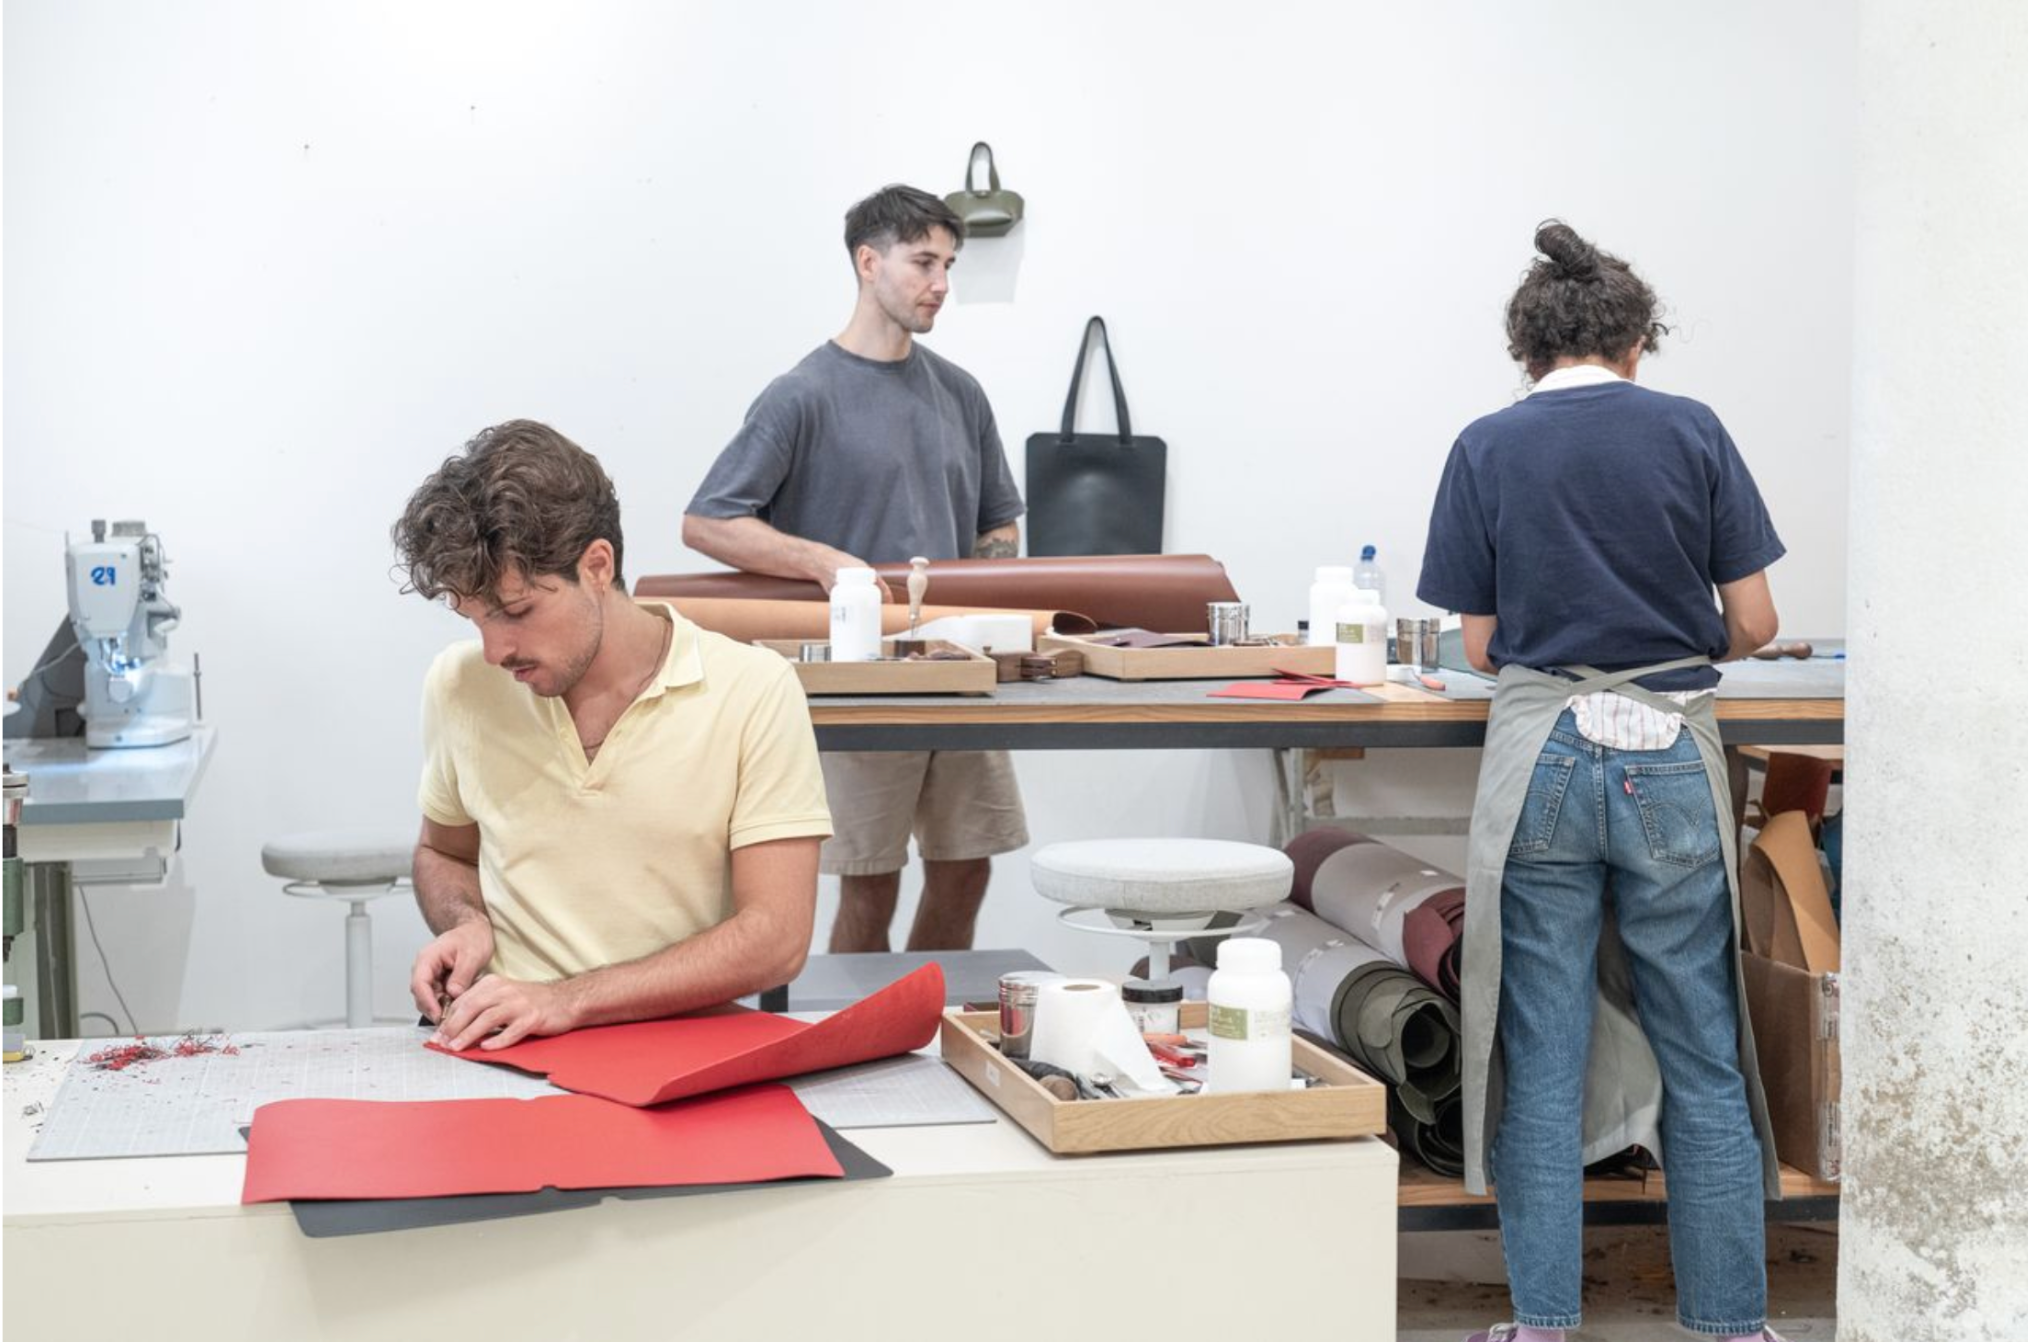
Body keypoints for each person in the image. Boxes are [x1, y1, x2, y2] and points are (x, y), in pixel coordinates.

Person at [1417, 222, 1789, 1342]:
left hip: (1543, 757)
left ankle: (1542, 1324)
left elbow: (1480, 646)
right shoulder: (1692, 429)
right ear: (1635, 343)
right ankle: (1732, 1327)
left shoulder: (1486, 445)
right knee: (1702, 1051)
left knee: (1542, 1051)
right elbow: (1756, 622)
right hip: (1670, 754)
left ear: (1527, 350)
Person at [393, 420, 833, 1052]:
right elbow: (445, 853)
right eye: (476, 619)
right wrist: (466, 921)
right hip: (502, 1043)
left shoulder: (753, 689)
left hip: (677, 1052)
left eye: (516, 612)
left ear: (597, 566)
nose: (494, 651)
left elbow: (777, 938)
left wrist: (568, 1001)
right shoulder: (460, 683)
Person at [682, 184, 1027, 954]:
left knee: (967, 869)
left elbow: (998, 521)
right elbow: (707, 521)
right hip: (859, 682)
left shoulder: (961, 394)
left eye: (949, 265)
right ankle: (863, 1027)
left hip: (961, 675)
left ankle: (930, 1013)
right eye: (924, 262)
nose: (941, 283)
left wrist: (990, 596)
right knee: (871, 882)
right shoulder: (802, 396)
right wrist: (822, 561)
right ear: (869, 263)